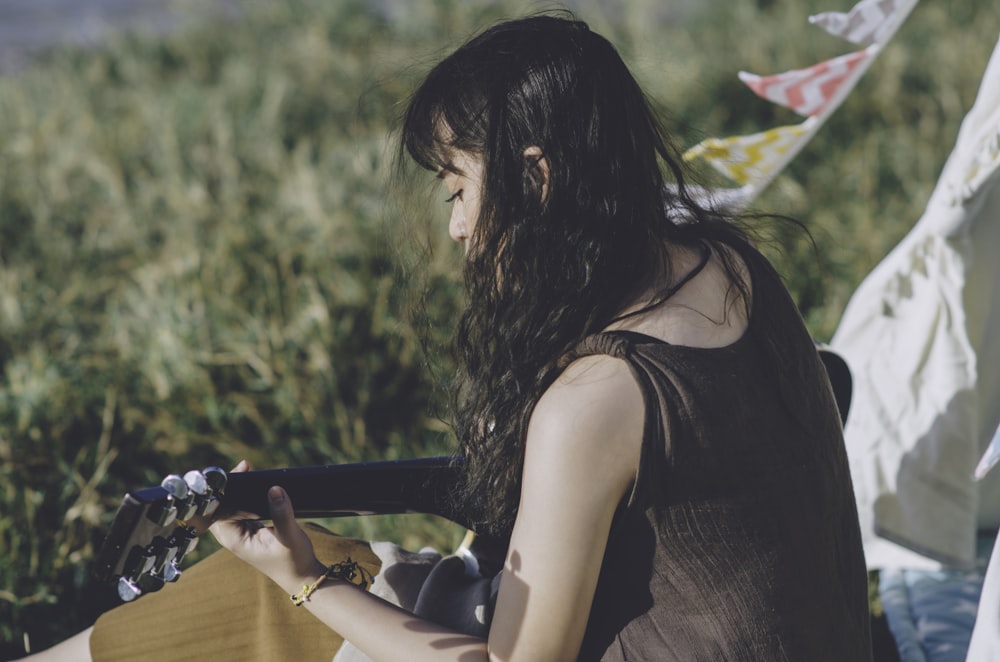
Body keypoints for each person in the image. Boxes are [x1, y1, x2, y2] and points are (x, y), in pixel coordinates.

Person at [25, 14, 872, 661]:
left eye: (458, 186)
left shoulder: (601, 400)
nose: (460, 227)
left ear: (537, 177)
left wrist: (304, 582)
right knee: (344, 575)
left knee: (282, 603)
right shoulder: (725, 266)